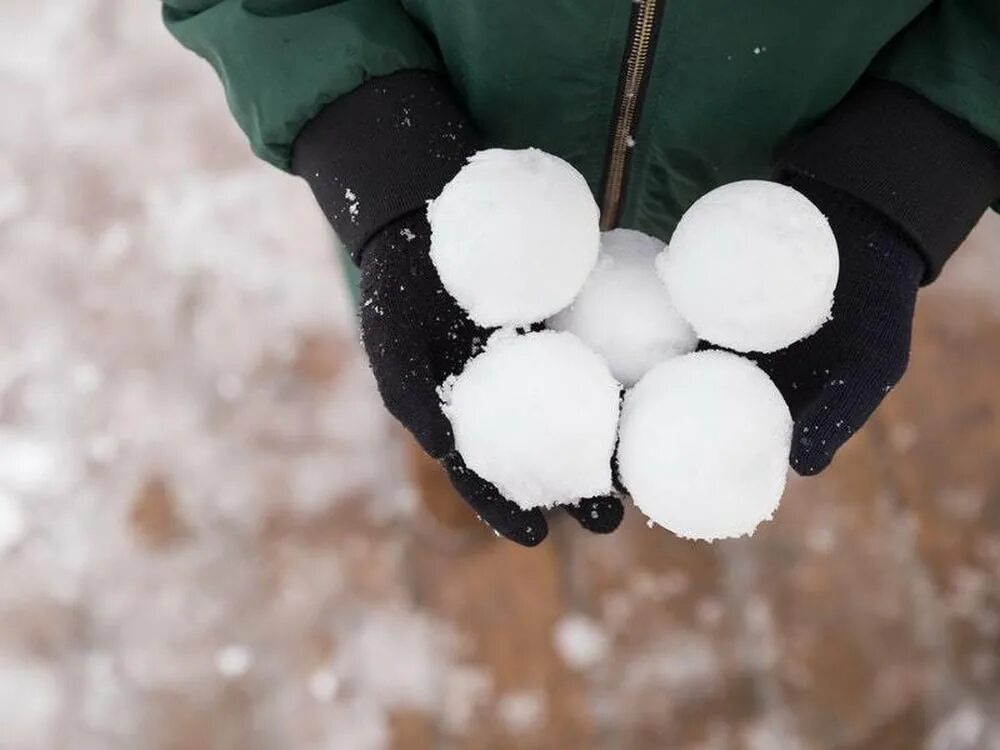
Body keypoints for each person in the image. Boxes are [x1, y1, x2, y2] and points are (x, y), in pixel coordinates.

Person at [162, 0, 1000, 546]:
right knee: (432, 348)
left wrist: (921, 160)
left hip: (798, 173)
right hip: (445, 182)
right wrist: (373, 147)